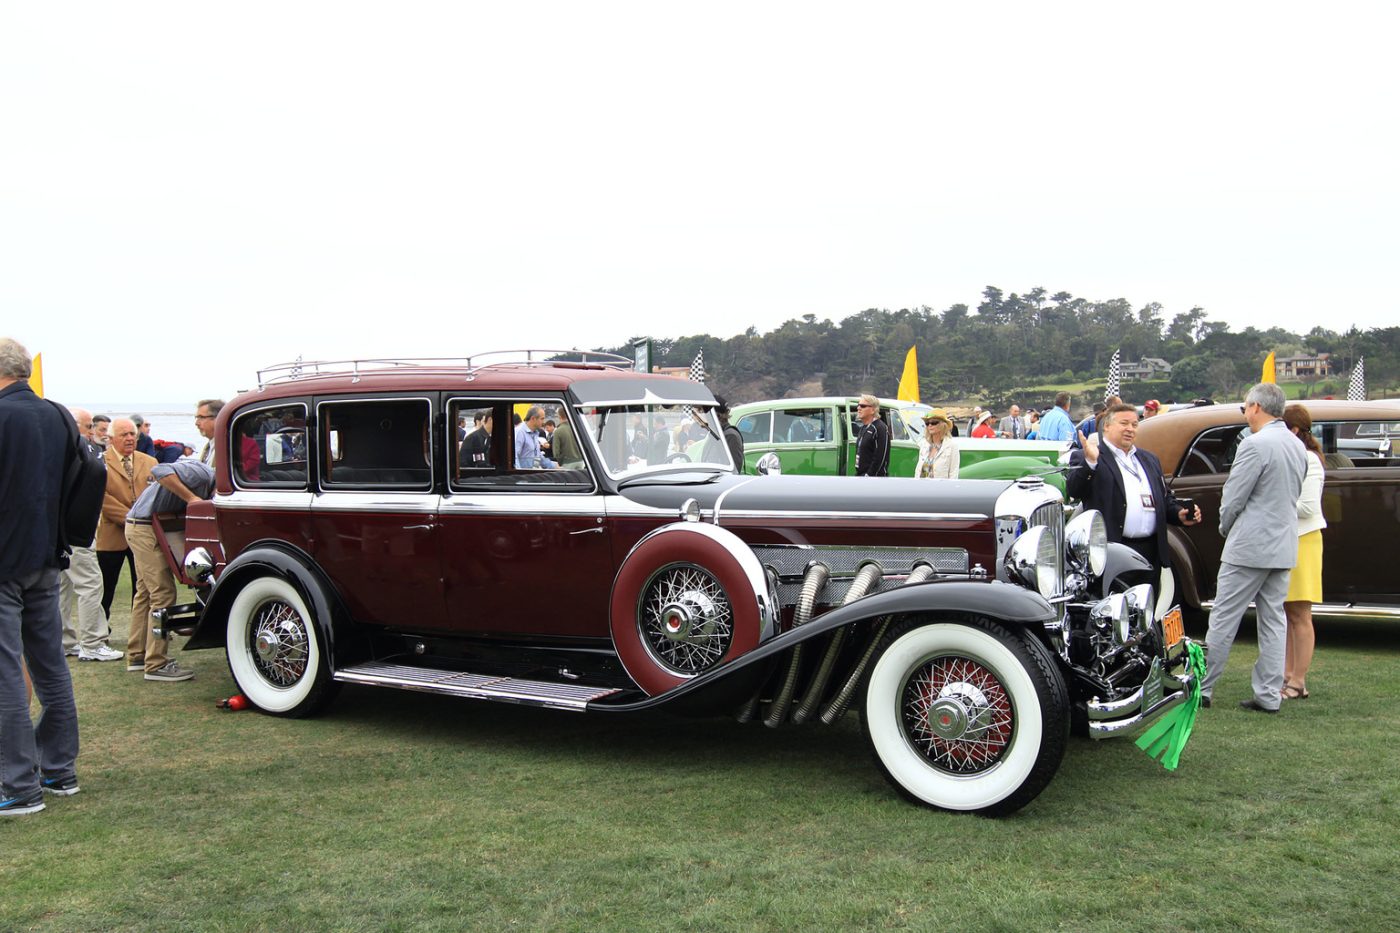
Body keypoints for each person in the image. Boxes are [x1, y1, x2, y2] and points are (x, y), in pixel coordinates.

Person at [0, 337, 82, 816]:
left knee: (9, 670)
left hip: (8, 557)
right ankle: (57, 768)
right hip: (46, 554)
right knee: (49, 665)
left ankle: (18, 784)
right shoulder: (58, 415)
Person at [1200, 383, 1308, 713]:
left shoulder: (1254, 445)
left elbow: (1234, 498)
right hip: (1283, 543)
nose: (1245, 413)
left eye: (1245, 407)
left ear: (1257, 407)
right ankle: (1267, 694)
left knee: (1223, 618)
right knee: (1274, 621)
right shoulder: (1296, 444)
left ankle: (1203, 688)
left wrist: (1224, 526)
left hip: (1249, 545)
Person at [1066, 404, 1201, 577]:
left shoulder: (1149, 459)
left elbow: (1163, 499)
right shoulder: (1090, 456)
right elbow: (1074, 490)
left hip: (1151, 552)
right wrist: (1090, 463)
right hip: (1113, 552)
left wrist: (1179, 514)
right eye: (1124, 423)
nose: (1130, 429)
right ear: (1106, 426)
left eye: (1135, 425)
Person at [125, 459, 216, 682]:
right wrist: (192, 498)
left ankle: (137, 655)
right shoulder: (201, 473)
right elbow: (159, 470)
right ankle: (156, 664)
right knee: (162, 594)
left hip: (143, 526)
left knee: (145, 593)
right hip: (145, 528)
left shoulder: (207, 479)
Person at [59, 407, 122, 662]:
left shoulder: (64, 452)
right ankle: (92, 642)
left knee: (63, 586)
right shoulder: (76, 452)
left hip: (63, 530)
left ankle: (65, 640)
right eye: (88, 427)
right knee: (90, 583)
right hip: (76, 531)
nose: (93, 431)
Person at [1282, 405, 1325, 701]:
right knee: (1287, 611)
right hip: (1288, 539)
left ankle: (1298, 680)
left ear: (1294, 430)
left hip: (1304, 540)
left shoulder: (1309, 460)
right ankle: (1286, 675)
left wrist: (1272, 502)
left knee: (1300, 613)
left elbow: (1308, 507)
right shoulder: (1296, 457)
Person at [97, 418, 156, 623]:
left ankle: (142, 629)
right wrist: (132, 518)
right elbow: (100, 497)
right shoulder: (100, 463)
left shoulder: (149, 462)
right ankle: (100, 632)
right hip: (111, 536)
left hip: (143, 537)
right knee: (105, 588)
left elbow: (156, 494)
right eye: (124, 435)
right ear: (111, 439)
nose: (130, 438)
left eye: (133, 434)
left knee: (143, 586)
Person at [915, 409, 958, 478]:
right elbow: (918, 472)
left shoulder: (952, 446)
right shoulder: (924, 444)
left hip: (940, 488)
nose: (930, 425)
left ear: (943, 425)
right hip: (922, 487)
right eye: (927, 423)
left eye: (934, 422)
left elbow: (953, 474)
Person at [853, 394, 889, 476]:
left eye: (862, 406)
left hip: (873, 478)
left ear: (873, 410)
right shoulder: (863, 427)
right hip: (861, 475)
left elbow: (880, 456)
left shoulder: (880, 428)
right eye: (858, 405)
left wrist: (869, 475)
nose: (858, 408)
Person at [194, 399, 223, 467]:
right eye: (196, 418)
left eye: (201, 417)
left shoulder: (229, 446)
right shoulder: (209, 447)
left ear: (218, 418)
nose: (196, 423)